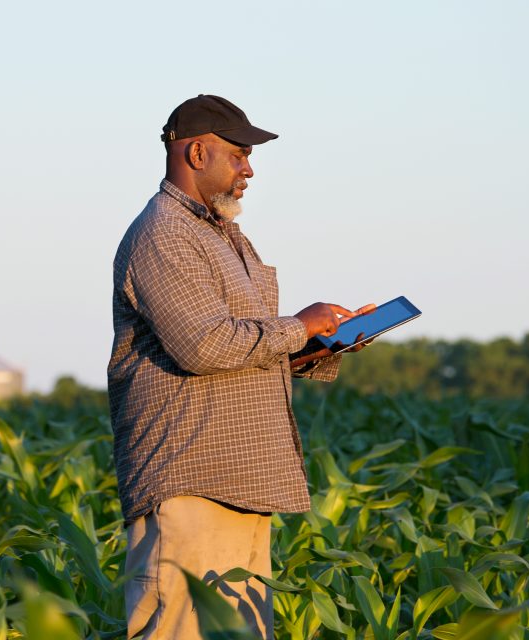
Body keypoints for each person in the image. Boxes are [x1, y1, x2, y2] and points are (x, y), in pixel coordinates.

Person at [107, 94, 374, 639]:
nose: (249, 169)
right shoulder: (165, 232)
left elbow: (242, 349)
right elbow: (203, 346)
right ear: (198, 152)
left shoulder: (223, 235)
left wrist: (320, 346)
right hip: (191, 479)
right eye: (238, 154)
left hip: (242, 479)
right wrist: (300, 324)